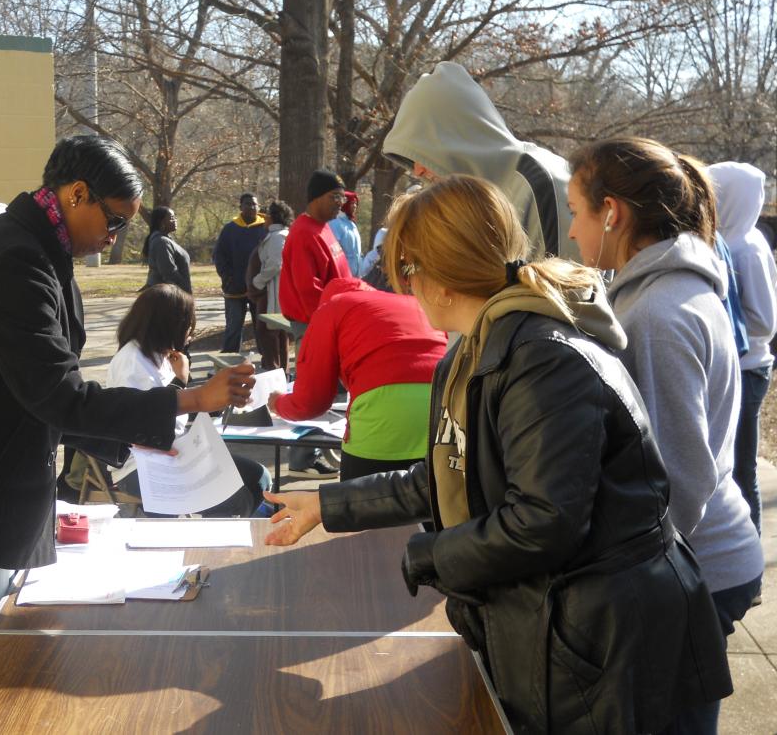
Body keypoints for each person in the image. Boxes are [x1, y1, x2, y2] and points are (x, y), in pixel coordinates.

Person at [264, 174, 731, 734]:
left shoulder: (540, 359)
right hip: (572, 627)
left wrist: (426, 554)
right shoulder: (481, 347)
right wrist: (329, 504)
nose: (403, 288)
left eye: (405, 272)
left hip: (608, 644)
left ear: (438, 279)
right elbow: (451, 470)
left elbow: (543, 521)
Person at [0, 135, 255, 678]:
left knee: (11, 674)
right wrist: (187, 399)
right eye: (115, 221)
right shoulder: (16, 260)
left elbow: (47, 397)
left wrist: (146, 435)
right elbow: (59, 396)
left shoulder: (41, 251)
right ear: (77, 195)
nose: (114, 239)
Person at [568, 137, 763, 732]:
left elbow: (677, 478)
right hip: (693, 566)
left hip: (691, 571)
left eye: (576, 212)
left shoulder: (656, 314)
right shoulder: (665, 291)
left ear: (612, 212)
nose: (572, 232)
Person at [383, 61, 579, 261]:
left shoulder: (542, 181)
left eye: (423, 150)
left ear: (454, 135)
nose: (417, 170)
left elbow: (572, 286)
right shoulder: (461, 198)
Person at [106, 284, 271, 516]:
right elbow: (144, 420)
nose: (190, 334)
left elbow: (176, 405)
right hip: (143, 466)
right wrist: (181, 381)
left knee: (258, 478)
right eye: (188, 326)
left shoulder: (163, 355)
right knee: (236, 500)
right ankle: (217, 547)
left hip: (175, 454)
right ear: (168, 325)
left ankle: (242, 529)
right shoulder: (132, 361)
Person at [268, 278, 446, 481]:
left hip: (381, 421)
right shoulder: (411, 302)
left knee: (362, 506)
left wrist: (278, 403)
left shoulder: (331, 309)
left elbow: (310, 401)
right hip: (442, 410)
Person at [709, 161, 777, 536]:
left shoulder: (746, 247)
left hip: (749, 367)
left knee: (742, 466)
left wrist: (725, 328)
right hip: (737, 365)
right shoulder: (728, 240)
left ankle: (749, 554)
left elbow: (766, 321)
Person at [278, 168, 353, 339]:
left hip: (335, 318)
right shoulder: (303, 233)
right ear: (316, 197)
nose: (340, 202)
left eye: (342, 197)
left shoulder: (323, 225)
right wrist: (328, 323)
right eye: (334, 196)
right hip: (316, 324)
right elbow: (308, 289)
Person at [212, 193, 268, 352]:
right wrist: (227, 277)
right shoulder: (230, 229)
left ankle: (268, 362)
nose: (251, 207)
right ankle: (229, 361)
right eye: (247, 204)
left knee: (262, 326)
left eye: (254, 204)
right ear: (240, 207)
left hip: (259, 287)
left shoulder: (265, 228)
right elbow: (219, 256)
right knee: (234, 326)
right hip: (235, 288)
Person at [251, 200, 294, 371]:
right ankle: (281, 371)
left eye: (267, 215)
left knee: (266, 330)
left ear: (274, 217)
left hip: (274, 290)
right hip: (275, 289)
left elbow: (275, 264)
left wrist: (257, 281)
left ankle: (275, 370)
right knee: (279, 332)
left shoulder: (278, 237)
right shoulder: (279, 235)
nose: (264, 219)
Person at [143, 205, 192, 294]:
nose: (175, 220)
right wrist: (185, 290)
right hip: (166, 296)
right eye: (172, 218)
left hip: (169, 293)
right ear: (162, 222)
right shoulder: (161, 242)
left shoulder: (165, 240)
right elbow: (169, 273)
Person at [328, 190, 363, 275]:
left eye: (355, 203)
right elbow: (333, 251)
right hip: (342, 274)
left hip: (356, 275)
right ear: (345, 204)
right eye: (351, 203)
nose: (355, 206)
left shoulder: (352, 224)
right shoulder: (335, 223)